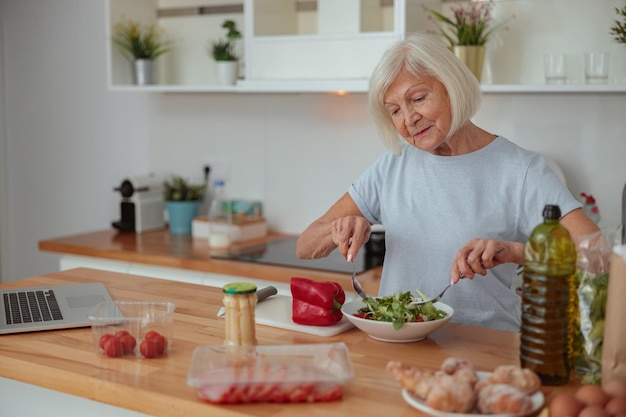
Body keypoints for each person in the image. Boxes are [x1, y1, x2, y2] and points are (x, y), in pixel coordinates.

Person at [296, 34, 600, 332]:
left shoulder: (521, 170)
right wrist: (339, 228)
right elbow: (305, 245)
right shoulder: (393, 164)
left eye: (417, 99)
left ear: (452, 87)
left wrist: (517, 252)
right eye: (395, 111)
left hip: (487, 346)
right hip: (402, 341)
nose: (408, 120)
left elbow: (599, 256)